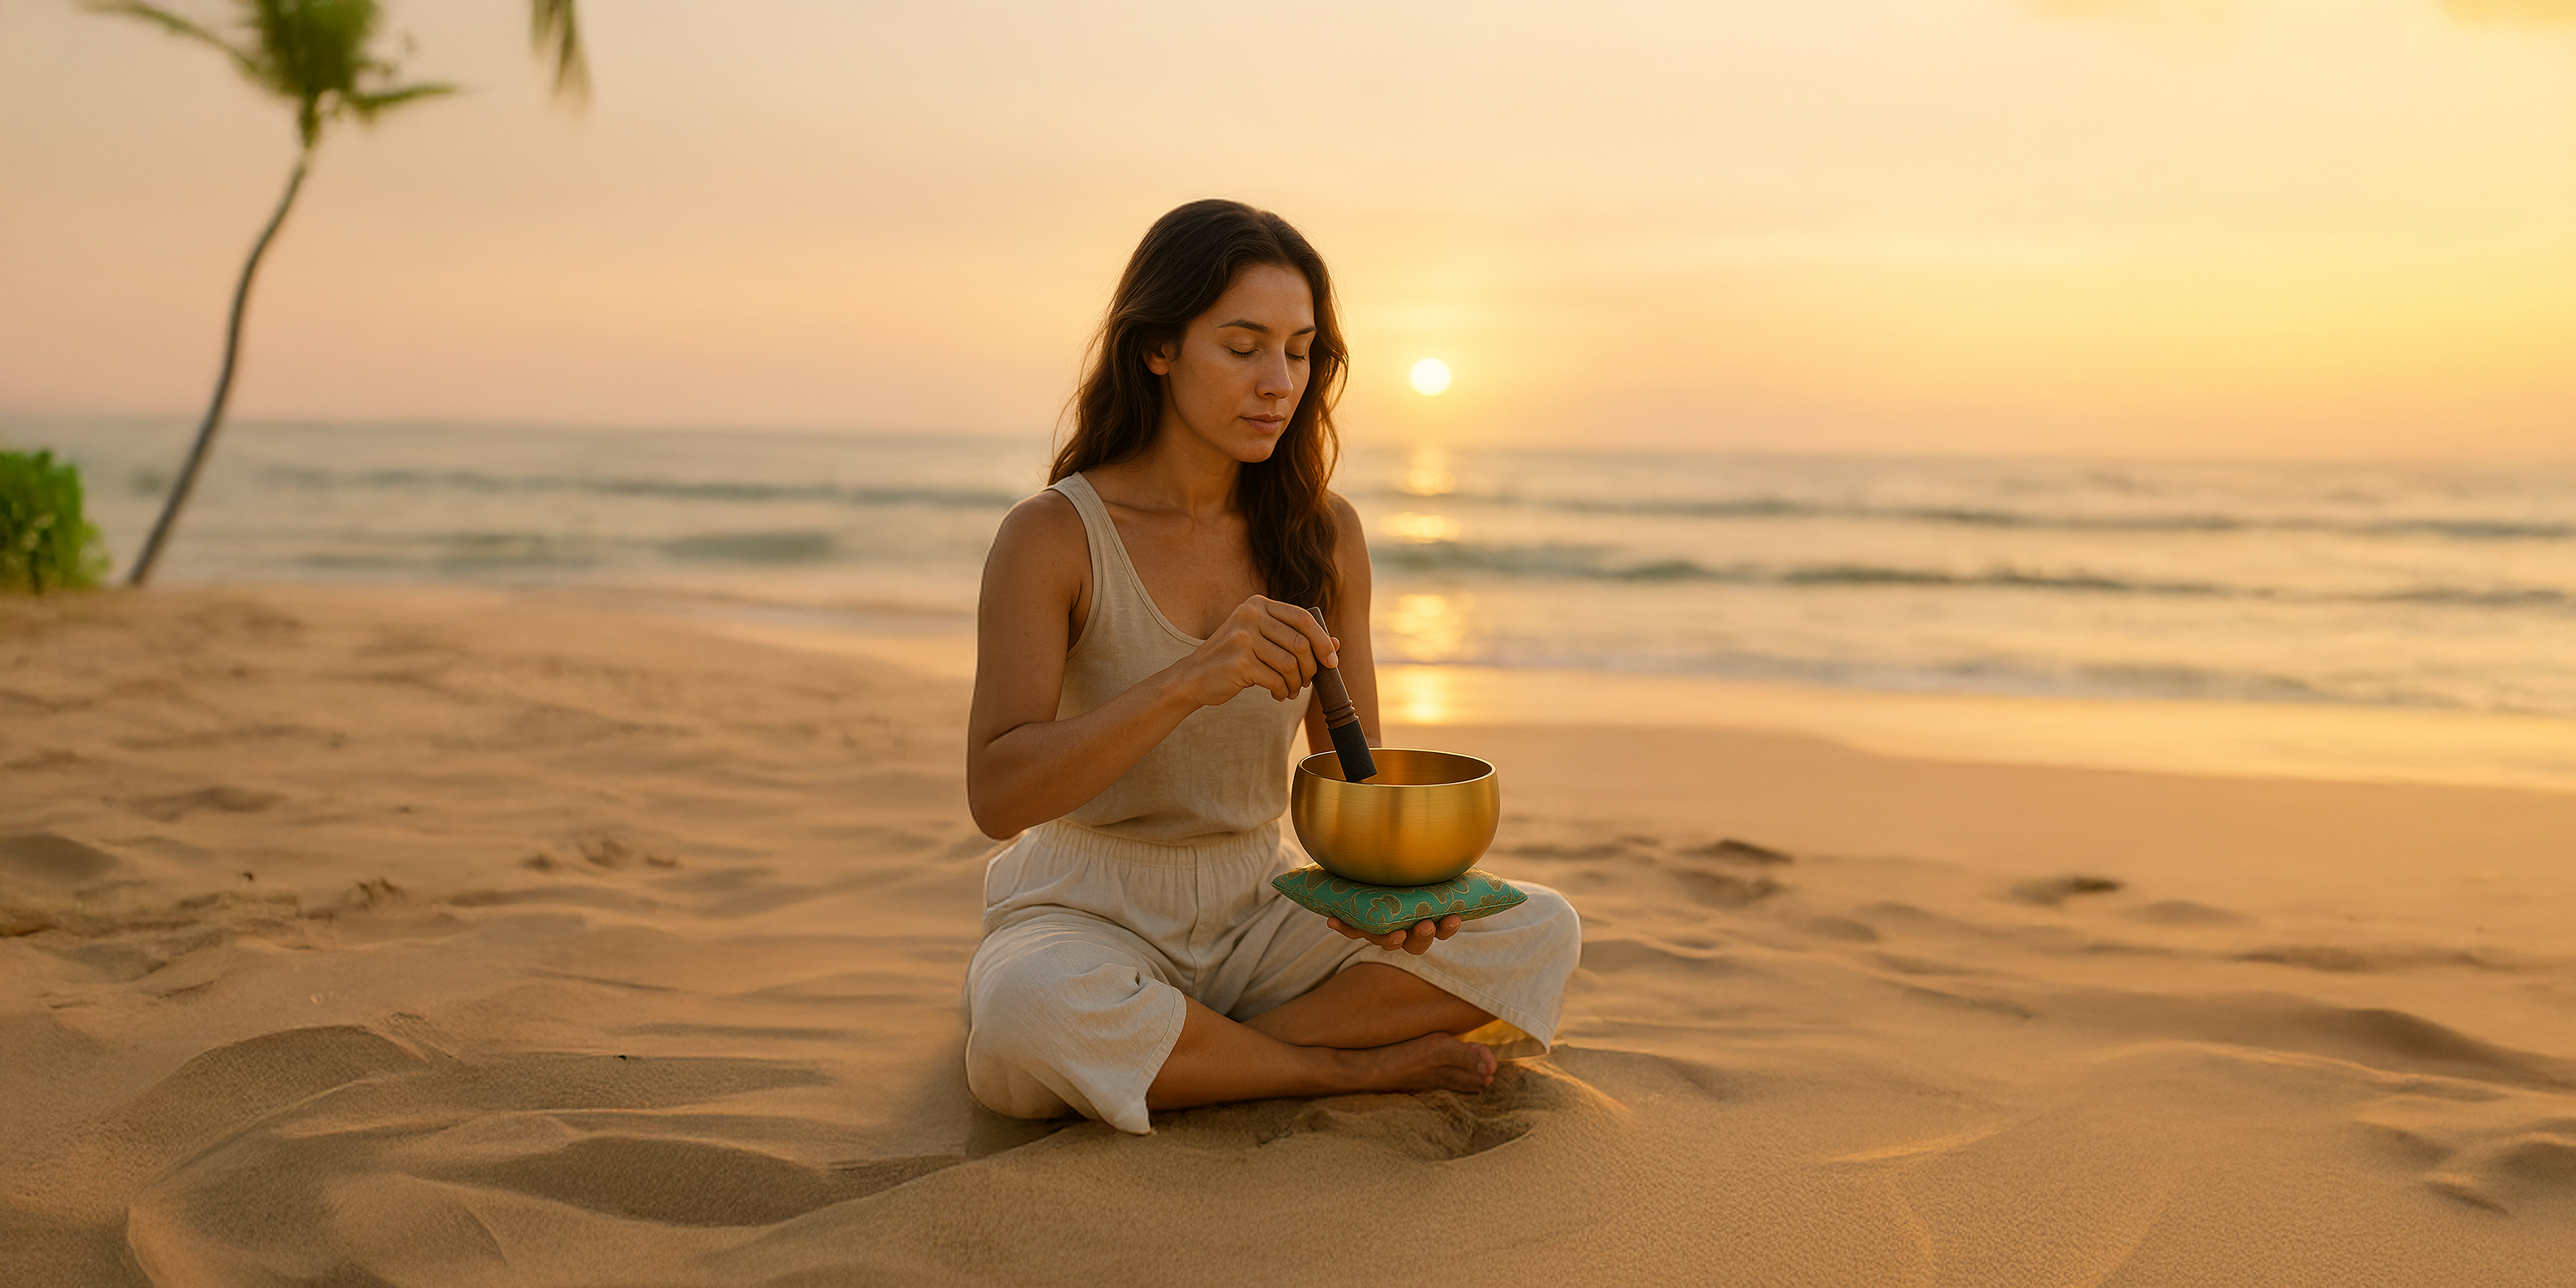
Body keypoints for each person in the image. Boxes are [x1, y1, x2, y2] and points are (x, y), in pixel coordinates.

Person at [962, 199, 1582, 1134]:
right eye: (1243, 346)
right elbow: (998, 795)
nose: (1277, 383)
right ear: (1159, 348)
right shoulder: (1052, 536)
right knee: (1027, 1014)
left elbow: (1356, 772)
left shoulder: (1326, 535)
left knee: (1539, 927)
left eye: (1299, 352)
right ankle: (1330, 1067)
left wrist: (1390, 896)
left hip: (1265, 906)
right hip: (1088, 907)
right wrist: (1185, 681)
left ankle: (1205, 1053)